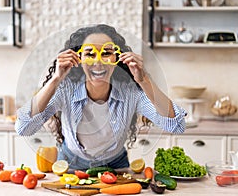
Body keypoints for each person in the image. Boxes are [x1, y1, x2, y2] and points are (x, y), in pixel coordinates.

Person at [15, 24, 186, 170]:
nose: (98, 62)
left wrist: (144, 80)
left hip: (115, 168)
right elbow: (23, 127)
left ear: (117, 58)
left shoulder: (130, 93)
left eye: (106, 53)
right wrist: (55, 79)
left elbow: (175, 124)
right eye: (90, 54)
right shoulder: (65, 89)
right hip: (70, 166)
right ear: (78, 58)